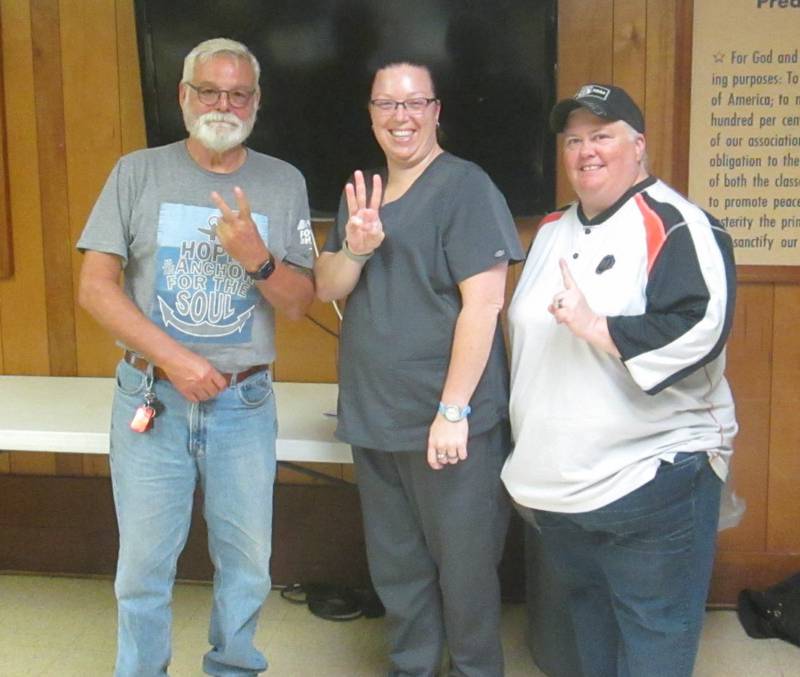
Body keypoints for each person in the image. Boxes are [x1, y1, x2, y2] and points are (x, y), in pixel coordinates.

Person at [77, 38, 315, 676]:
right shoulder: (137, 173)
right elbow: (95, 288)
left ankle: (233, 668)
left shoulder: (283, 181)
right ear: (184, 96)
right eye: (209, 91)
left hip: (244, 403)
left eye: (239, 94)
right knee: (143, 568)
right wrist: (176, 360)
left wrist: (256, 259)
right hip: (152, 397)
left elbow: (299, 302)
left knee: (247, 564)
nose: (223, 105)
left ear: (256, 102)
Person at [502, 83, 738, 677]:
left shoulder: (678, 225)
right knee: (592, 629)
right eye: (573, 140)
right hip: (561, 494)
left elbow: (701, 327)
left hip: (651, 480)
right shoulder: (551, 230)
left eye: (602, 136)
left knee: (654, 638)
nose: (586, 150)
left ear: (638, 146)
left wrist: (597, 326)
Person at [315, 61, 524, 676]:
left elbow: (484, 304)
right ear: (371, 115)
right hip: (376, 415)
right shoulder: (364, 194)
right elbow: (328, 284)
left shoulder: (466, 187)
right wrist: (356, 247)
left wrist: (453, 410)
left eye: (414, 103)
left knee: (466, 573)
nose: (400, 116)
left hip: (446, 424)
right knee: (397, 570)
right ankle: (412, 668)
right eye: (386, 103)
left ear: (435, 112)